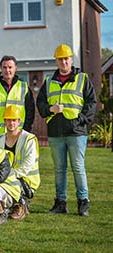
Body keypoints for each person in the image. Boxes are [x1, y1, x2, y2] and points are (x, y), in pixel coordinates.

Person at [36, 44, 97, 216]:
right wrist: (50, 109)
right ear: (56, 61)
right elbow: (40, 104)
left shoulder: (82, 79)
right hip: (55, 131)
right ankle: (60, 203)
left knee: (78, 167)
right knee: (59, 169)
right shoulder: (48, 82)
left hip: (76, 132)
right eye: (60, 59)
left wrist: (82, 120)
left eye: (66, 58)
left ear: (71, 59)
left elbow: (92, 102)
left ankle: (83, 202)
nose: (63, 61)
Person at [0, 105, 40, 219]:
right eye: (8, 120)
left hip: (26, 179)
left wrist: (8, 175)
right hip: (7, 177)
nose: (11, 123)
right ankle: (3, 207)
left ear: (19, 121)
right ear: (4, 121)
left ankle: (21, 203)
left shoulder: (29, 139)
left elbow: (27, 165)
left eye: (14, 120)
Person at [0, 55, 35, 139]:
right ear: (1, 69)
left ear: (15, 68)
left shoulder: (23, 87)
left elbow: (30, 111)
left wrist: (26, 130)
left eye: (10, 67)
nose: (7, 70)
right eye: (4, 67)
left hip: (18, 133)